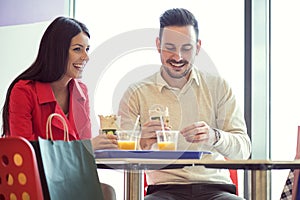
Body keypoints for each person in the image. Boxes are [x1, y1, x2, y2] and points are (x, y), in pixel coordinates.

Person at [118, 8, 251, 200]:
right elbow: (120, 157)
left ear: (197, 47)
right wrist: (142, 143)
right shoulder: (136, 93)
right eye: (170, 47)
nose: (178, 57)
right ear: (158, 45)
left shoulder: (219, 87)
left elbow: (243, 150)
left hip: (216, 189)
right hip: (164, 190)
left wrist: (214, 136)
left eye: (186, 48)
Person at [1, 16, 118, 151]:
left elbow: (84, 147)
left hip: (74, 172)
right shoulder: (23, 91)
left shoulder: (81, 92)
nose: (86, 57)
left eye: (87, 49)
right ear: (57, 51)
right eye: (77, 49)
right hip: (34, 172)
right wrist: (86, 146)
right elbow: (25, 151)